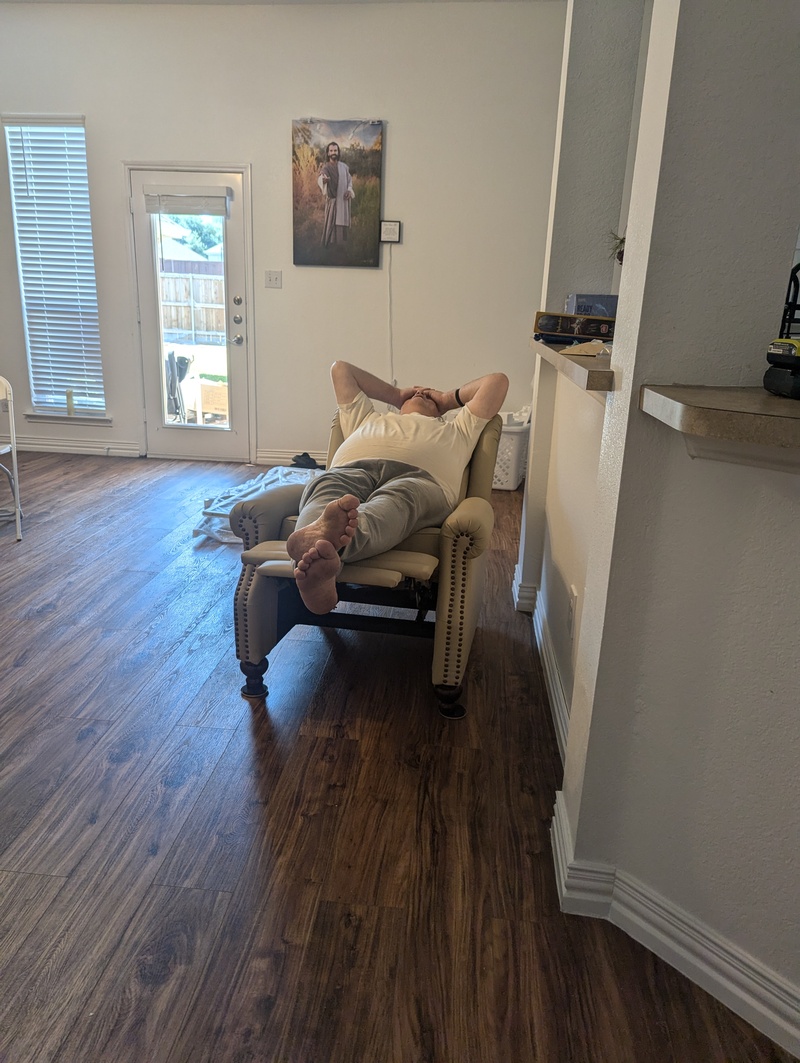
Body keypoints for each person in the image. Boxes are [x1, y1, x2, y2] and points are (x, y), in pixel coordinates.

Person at [286, 360, 509, 615]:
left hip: (419, 480)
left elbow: (497, 382)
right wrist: (397, 394)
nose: (421, 393)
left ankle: (325, 549)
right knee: (325, 489)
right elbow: (341, 370)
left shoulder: (457, 427)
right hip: (351, 470)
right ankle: (318, 545)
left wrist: (447, 399)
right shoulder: (367, 417)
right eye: (415, 393)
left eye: (428, 395)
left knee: (396, 502)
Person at [318, 142, 354, 247]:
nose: (333, 152)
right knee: (331, 225)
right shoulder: (326, 167)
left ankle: (341, 247)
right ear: (328, 153)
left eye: (335, 150)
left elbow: (349, 180)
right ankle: (330, 247)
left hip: (343, 201)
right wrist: (323, 180)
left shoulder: (344, 167)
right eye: (331, 151)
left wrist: (349, 190)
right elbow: (321, 176)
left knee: (341, 226)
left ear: (338, 152)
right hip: (332, 202)